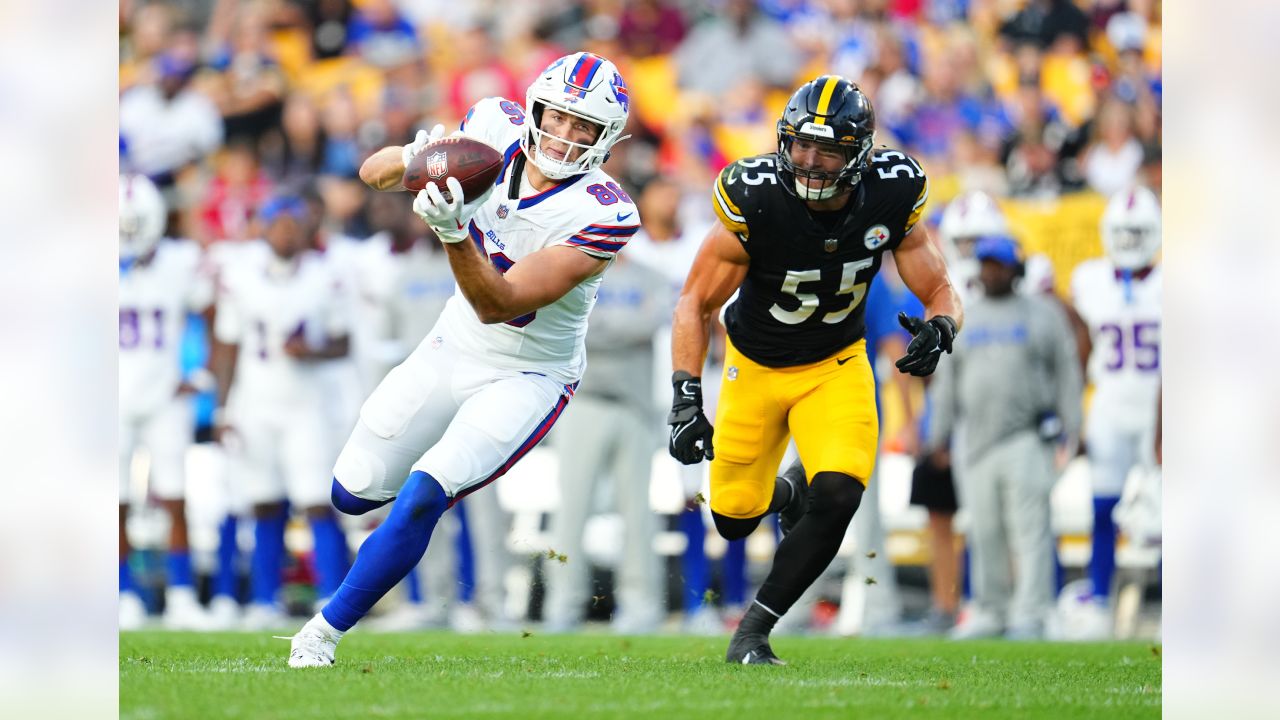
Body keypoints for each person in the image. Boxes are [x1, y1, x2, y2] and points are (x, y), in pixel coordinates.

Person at [284, 51, 639, 667]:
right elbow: (373, 174)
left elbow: (498, 304)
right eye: (558, 116)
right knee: (353, 492)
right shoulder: (493, 128)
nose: (565, 135)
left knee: (427, 491)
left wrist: (454, 233)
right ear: (534, 109)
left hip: (530, 371)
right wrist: (414, 161)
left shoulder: (605, 210)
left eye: (585, 127)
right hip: (453, 346)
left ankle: (322, 632)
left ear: (606, 139)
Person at [667, 75, 963, 665]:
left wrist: (942, 326)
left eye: (828, 149)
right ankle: (785, 489)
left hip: (836, 365)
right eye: (802, 145)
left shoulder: (891, 191)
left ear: (860, 154)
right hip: (754, 366)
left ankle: (753, 631)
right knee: (732, 517)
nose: (810, 160)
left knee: (839, 491)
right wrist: (685, 397)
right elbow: (695, 303)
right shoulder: (753, 195)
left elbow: (940, 288)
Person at [927, 235, 1083, 640]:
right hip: (974, 441)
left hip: (1026, 435)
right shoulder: (966, 316)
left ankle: (1032, 611)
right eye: (985, 264)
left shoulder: (1042, 313)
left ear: (1017, 269)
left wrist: (1074, 426)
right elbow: (947, 382)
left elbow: (1067, 372)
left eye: (998, 264)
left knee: (1029, 529)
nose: (991, 271)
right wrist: (938, 436)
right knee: (984, 530)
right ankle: (990, 610)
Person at [212, 196, 354, 629]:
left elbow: (342, 341)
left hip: (305, 405)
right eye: (281, 225)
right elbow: (227, 345)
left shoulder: (324, 277)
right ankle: (262, 599)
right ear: (265, 229)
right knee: (264, 502)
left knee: (315, 501)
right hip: (256, 402)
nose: (288, 234)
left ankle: (335, 596)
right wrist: (223, 408)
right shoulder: (241, 276)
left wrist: (311, 350)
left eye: (295, 226)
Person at [541, 252, 671, 634]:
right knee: (571, 511)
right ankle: (562, 606)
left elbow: (650, 323)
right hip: (583, 402)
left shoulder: (652, 275)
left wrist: (600, 326)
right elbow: (568, 326)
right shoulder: (574, 271)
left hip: (636, 405)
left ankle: (642, 608)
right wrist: (620, 327)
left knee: (638, 514)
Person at [118, 174, 215, 630]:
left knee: (176, 497)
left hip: (164, 396)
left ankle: (180, 595)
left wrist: (201, 372)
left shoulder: (182, 261)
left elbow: (213, 313)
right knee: (113, 500)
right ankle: (122, 595)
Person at [1068, 185, 1162, 637]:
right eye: (1121, 232)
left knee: (1168, 515)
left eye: (1136, 232)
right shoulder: (1091, 279)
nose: (1127, 241)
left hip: (1158, 408)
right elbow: (1081, 349)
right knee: (1102, 507)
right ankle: (1100, 601)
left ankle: (1165, 606)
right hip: (1108, 404)